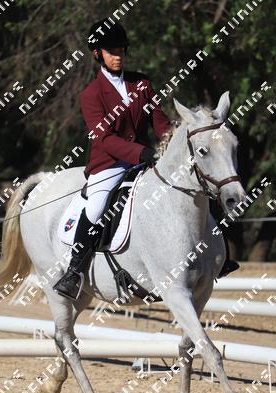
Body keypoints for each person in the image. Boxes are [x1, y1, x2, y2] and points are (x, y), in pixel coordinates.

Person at [53, 19, 239, 301]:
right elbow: (104, 139)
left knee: (199, 185)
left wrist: (173, 144)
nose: (118, 56)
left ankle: (218, 256)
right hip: (109, 165)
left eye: (121, 50)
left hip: (144, 161)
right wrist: (141, 152)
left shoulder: (141, 83)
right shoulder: (91, 94)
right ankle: (75, 271)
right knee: (96, 207)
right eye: (111, 51)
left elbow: (159, 122)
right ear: (97, 53)